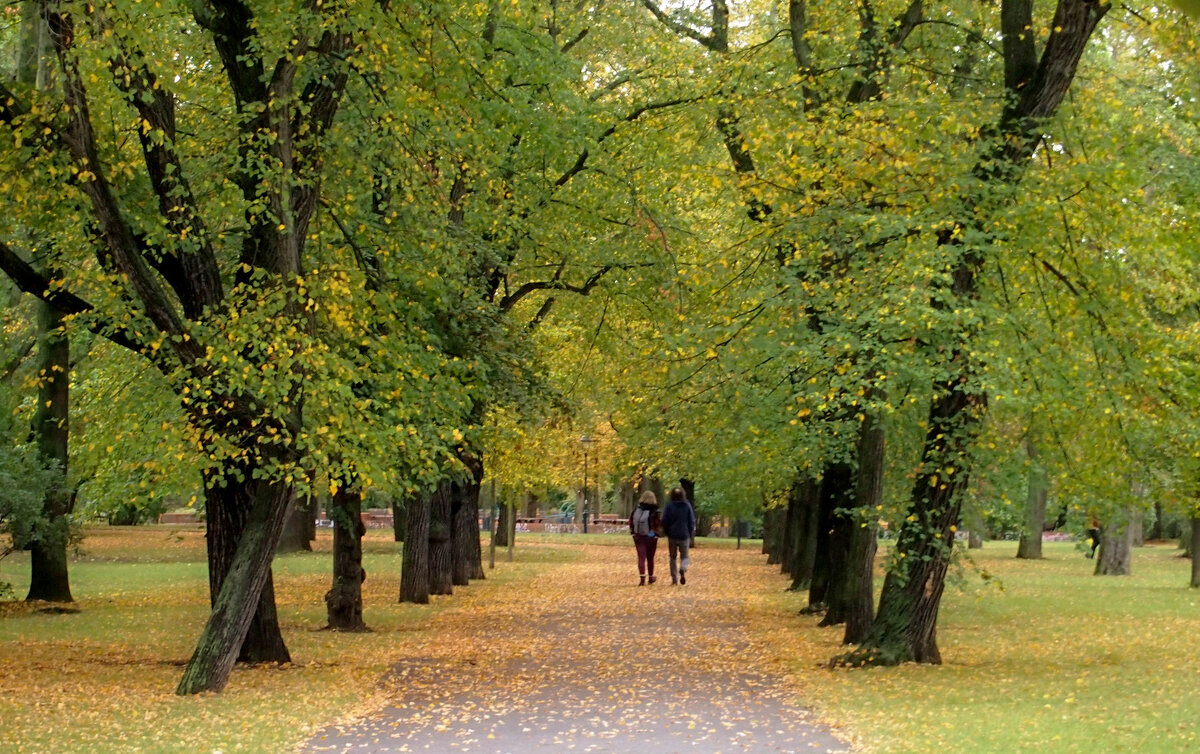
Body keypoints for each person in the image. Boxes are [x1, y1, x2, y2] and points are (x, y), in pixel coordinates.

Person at [661, 487, 696, 585]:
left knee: (672, 557)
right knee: (685, 556)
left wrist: (667, 531)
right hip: (684, 534)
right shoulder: (687, 505)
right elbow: (691, 520)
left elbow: (665, 521)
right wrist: (689, 532)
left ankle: (674, 579)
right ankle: (683, 568)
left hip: (672, 535)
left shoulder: (669, 506)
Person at [629, 490, 662, 585]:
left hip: (638, 536)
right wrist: (656, 534)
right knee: (650, 558)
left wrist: (633, 532)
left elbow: (631, 521)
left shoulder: (637, 509)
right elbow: (658, 524)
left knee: (641, 557)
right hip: (651, 537)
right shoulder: (655, 510)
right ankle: (651, 577)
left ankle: (642, 578)